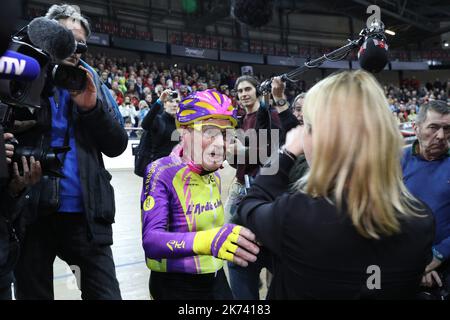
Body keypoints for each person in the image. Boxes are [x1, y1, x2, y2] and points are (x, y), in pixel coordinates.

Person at [238, 70, 434, 299]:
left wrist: (287, 152)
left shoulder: (297, 215)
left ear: (324, 140)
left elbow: (251, 204)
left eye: (308, 128)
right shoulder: (422, 219)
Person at [13, 5, 128, 300]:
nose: (73, 49)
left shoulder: (92, 81)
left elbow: (117, 145)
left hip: (87, 215)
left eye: (80, 44)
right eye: (65, 40)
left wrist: (91, 109)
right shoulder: (23, 73)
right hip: (30, 211)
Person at [141, 89, 259, 300]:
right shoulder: (160, 171)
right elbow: (151, 241)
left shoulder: (214, 173)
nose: (221, 143)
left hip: (215, 277)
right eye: (210, 132)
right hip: (176, 285)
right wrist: (209, 241)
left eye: (225, 134)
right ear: (185, 132)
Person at [224, 75, 282, 300]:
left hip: (266, 191)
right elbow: (236, 160)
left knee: (269, 246)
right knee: (234, 239)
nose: (243, 94)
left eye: (247, 89)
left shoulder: (269, 113)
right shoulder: (238, 120)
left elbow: (274, 151)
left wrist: (243, 152)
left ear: (257, 91)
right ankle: (249, 273)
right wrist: (231, 156)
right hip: (242, 186)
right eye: (239, 91)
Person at [401, 100, 450, 298]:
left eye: (447, 129)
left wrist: (437, 255)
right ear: (416, 128)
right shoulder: (395, 161)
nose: (441, 136)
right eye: (434, 127)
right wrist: (416, 261)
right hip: (401, 261)